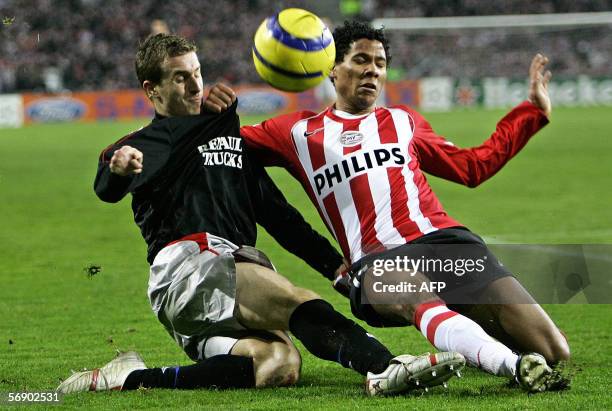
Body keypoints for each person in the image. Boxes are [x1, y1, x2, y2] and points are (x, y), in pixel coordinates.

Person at [56, 32, 465, 397]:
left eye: (197, 72)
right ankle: (385, 367)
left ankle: (129, 378)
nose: (196, 84)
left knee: (277, 365)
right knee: (294, 299)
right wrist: (116, 168)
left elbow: (278, 214)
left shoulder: (226, 138)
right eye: (180, 77)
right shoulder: (149, 142)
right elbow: (107, 185)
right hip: (187, 267)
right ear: (152, 90)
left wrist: (334, 268)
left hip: (229, 270)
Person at [210, 20, 570, 392]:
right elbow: (219, 147)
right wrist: (210, 116)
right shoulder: (295, 132)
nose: (373, 70)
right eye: (361, 59)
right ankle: (510, 364)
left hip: (447, 244)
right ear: (332, 69)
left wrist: (531, 113)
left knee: (554, 349)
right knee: (414, 295)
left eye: (380, 62)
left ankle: (471, 337)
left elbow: (471, 166)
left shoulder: (403, 121)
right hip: (378, 261)